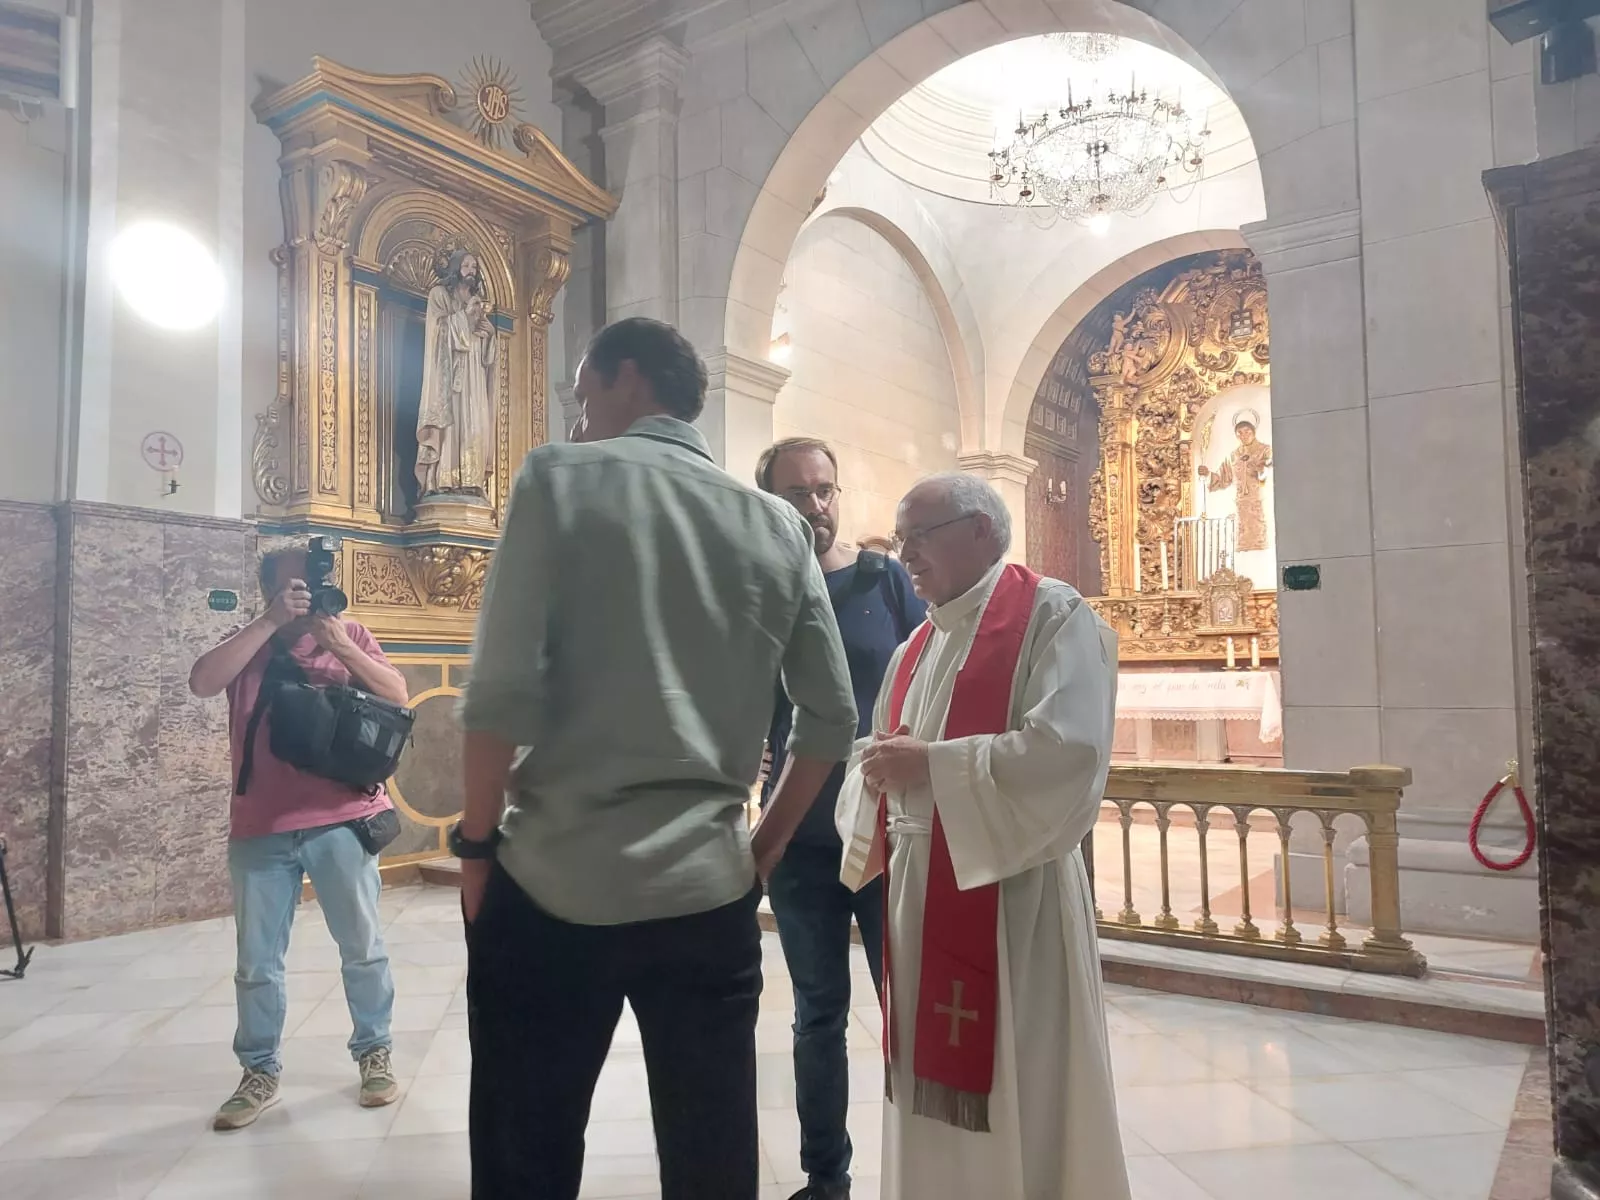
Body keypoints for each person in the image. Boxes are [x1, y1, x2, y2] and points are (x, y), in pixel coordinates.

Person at [453, 317, 857, 1200]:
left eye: (583, 393)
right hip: (708, 888)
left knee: (527, 1149)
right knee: (712, 1157)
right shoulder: (776, 526)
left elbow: (497, 693)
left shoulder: (558, 478)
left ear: (624, 378)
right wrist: (768, 845)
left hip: (556, 881)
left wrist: (475, 847)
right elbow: (830, 718)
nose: (580, 414)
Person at [835, 473, 1130, 1200]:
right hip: (919, 887)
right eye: (901, 539)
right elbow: (878, 750)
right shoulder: (917, 645)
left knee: (1017, 1071)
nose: (906, 554)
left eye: (920, 536)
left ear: (982, 532)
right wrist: (873, 772)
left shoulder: (1053, 618)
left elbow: (1068, 750)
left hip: (1012, 894)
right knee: (925, 1073)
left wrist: (930, 767)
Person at [188, 546, 410, 1131]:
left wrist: (337, 644)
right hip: (261, 825)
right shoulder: (253, 640)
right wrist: (269, 622)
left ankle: (375, 1054)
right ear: (267, 590)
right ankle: (258, 1072)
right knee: (257, 963)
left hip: (341, 818)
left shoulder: (350, 632)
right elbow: (202, 681)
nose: (303, 597)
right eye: (290, 589)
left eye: (308, 587)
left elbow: (397, 695)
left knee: (363, 948)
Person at [755, 437, 924, 1200]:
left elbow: (931, 668)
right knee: (818, 1015)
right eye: (798, 494)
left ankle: (929, 1167)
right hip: (796, 838)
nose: (816, 509)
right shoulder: (757, 587)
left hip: (885, 831)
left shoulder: (881, 580)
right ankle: (828, 1178)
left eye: (826, 492)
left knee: (908, 1006)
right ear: (768, 501)